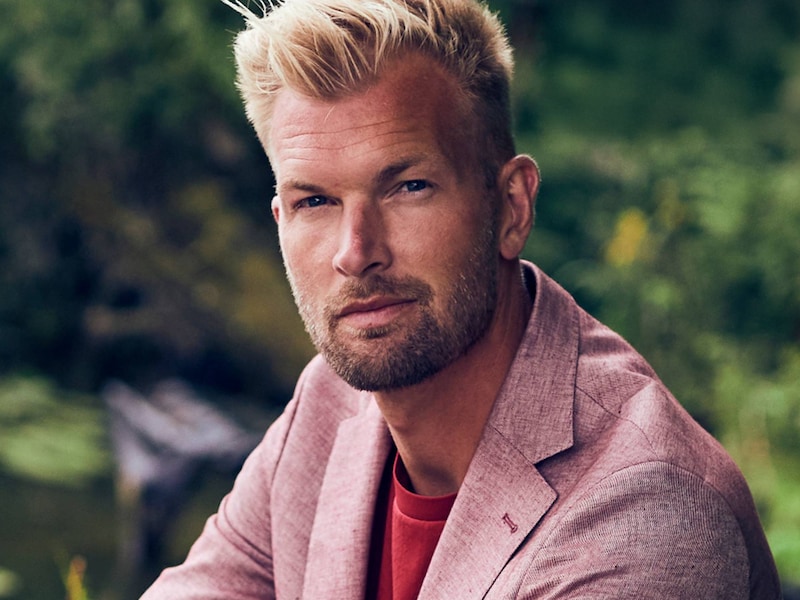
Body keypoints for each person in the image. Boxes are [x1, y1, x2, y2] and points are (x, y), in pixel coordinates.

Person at [142, 0, 781, 597]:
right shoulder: (330, 405)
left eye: (409, 187)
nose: (355, 251)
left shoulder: (646, 512)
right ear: (280, 220)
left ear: (511, 207)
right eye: (315, 201)